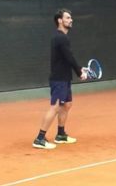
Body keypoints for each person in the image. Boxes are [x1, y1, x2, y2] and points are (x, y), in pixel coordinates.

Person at [33, 8, 87, 149]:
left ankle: (61, 134)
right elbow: (69, 57)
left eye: (70, 18)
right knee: (55, 107)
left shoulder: (61, 37)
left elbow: (67, 58)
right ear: (60, 20)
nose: (71, 20)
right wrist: (80, 72)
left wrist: (80, 69)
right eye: (68, 18)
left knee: (67, 104)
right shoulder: (60, 37)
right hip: (59, 79)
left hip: (64, 78)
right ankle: (39, 138)